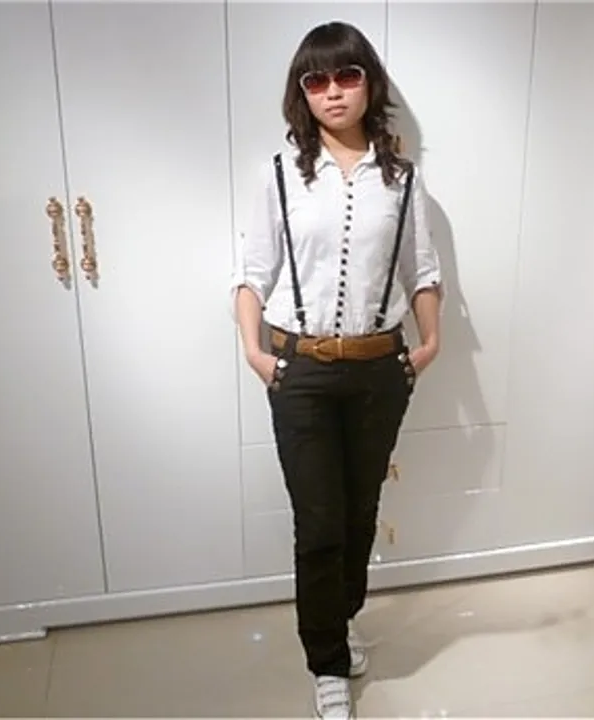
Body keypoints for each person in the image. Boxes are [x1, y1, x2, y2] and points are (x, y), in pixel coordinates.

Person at [231, 20, 443, 719]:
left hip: (381, 370)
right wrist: (256, 353)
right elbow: (252, 273)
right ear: (302, 93)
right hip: (301, 372)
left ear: (369, 84)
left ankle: (340, 618)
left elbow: (423, 270)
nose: (332, 91)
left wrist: (429, 345)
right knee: (319, 520)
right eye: (315, 79)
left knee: (359, 513)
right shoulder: (278, 175)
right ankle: (325, 661)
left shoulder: (402, 179)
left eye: (347, 75)